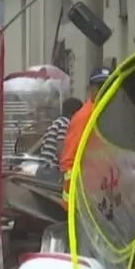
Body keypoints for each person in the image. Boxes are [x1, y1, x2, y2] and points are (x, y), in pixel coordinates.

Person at [60, 67, 110, 205]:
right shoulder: (84, 117)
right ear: (91, 89)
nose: (104, 90)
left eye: (108, 86)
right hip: (85, 197)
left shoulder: (109, 113)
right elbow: (69, 160)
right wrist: (74, 199)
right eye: (99, 86)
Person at [31, 97, 83, 166]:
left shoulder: (57, 122)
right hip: (52, 168)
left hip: (43, 166)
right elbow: (61, 150)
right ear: (73, 113)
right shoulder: (65, 124)